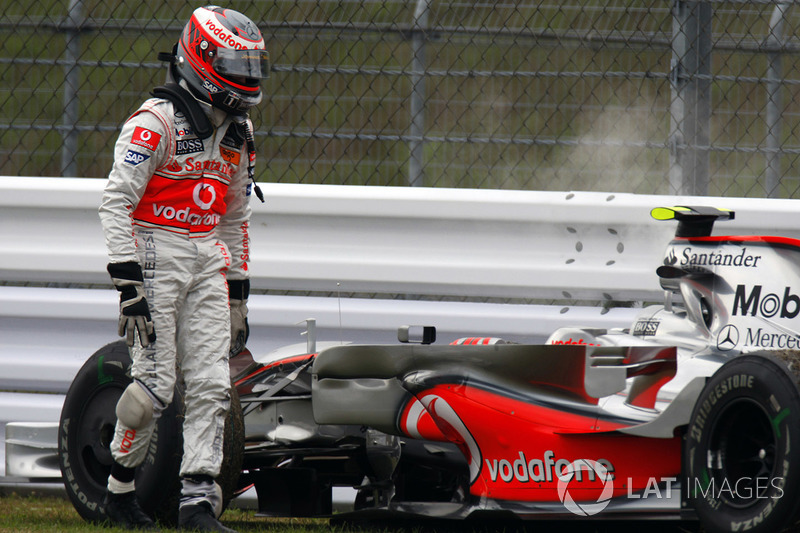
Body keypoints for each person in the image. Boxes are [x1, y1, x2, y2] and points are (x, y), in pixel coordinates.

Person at [97, 5, 269, 532]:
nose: (246, 75)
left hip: (207, 257)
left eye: (252, 64)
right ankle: (119, 491)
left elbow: (235, 215)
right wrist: (128, 286)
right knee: (153, 389)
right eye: (234, 62)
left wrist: (238, 295)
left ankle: (198, 503)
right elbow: (114, 202)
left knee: (215, 385)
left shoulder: (241, 131)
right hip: (154, 250)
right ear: (200, 56)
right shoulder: (155, 122)